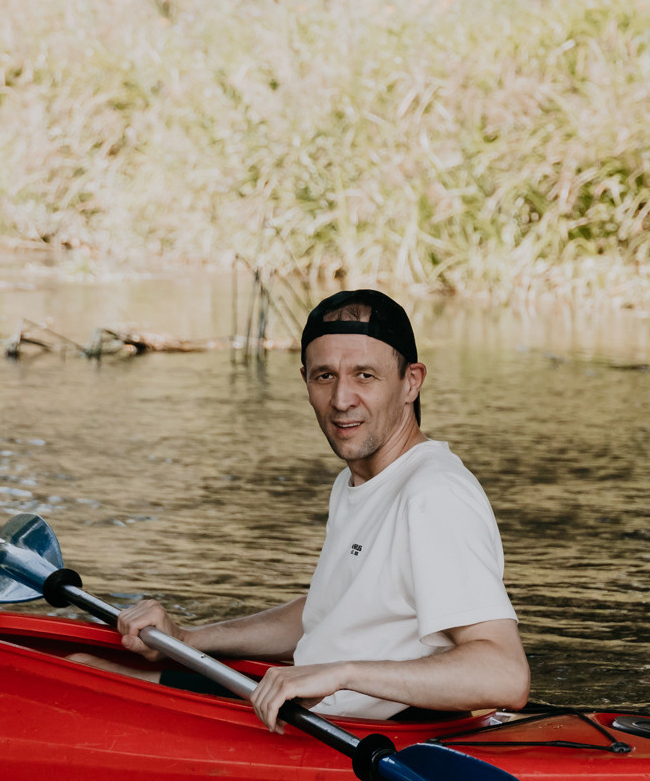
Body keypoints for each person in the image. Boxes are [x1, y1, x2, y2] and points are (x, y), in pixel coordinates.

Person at [97, 288, 530, 731]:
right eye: (325, 376)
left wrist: (343, 673)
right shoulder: (359, 479)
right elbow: (327, 613)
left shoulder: (434, 494)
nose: (342, 399)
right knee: (89, 664)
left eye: (364, 375)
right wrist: (185, 639)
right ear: (305, 381)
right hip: (305, 713)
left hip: (352, 741)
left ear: (411, 382)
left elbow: (504, 674)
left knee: (93, 680)